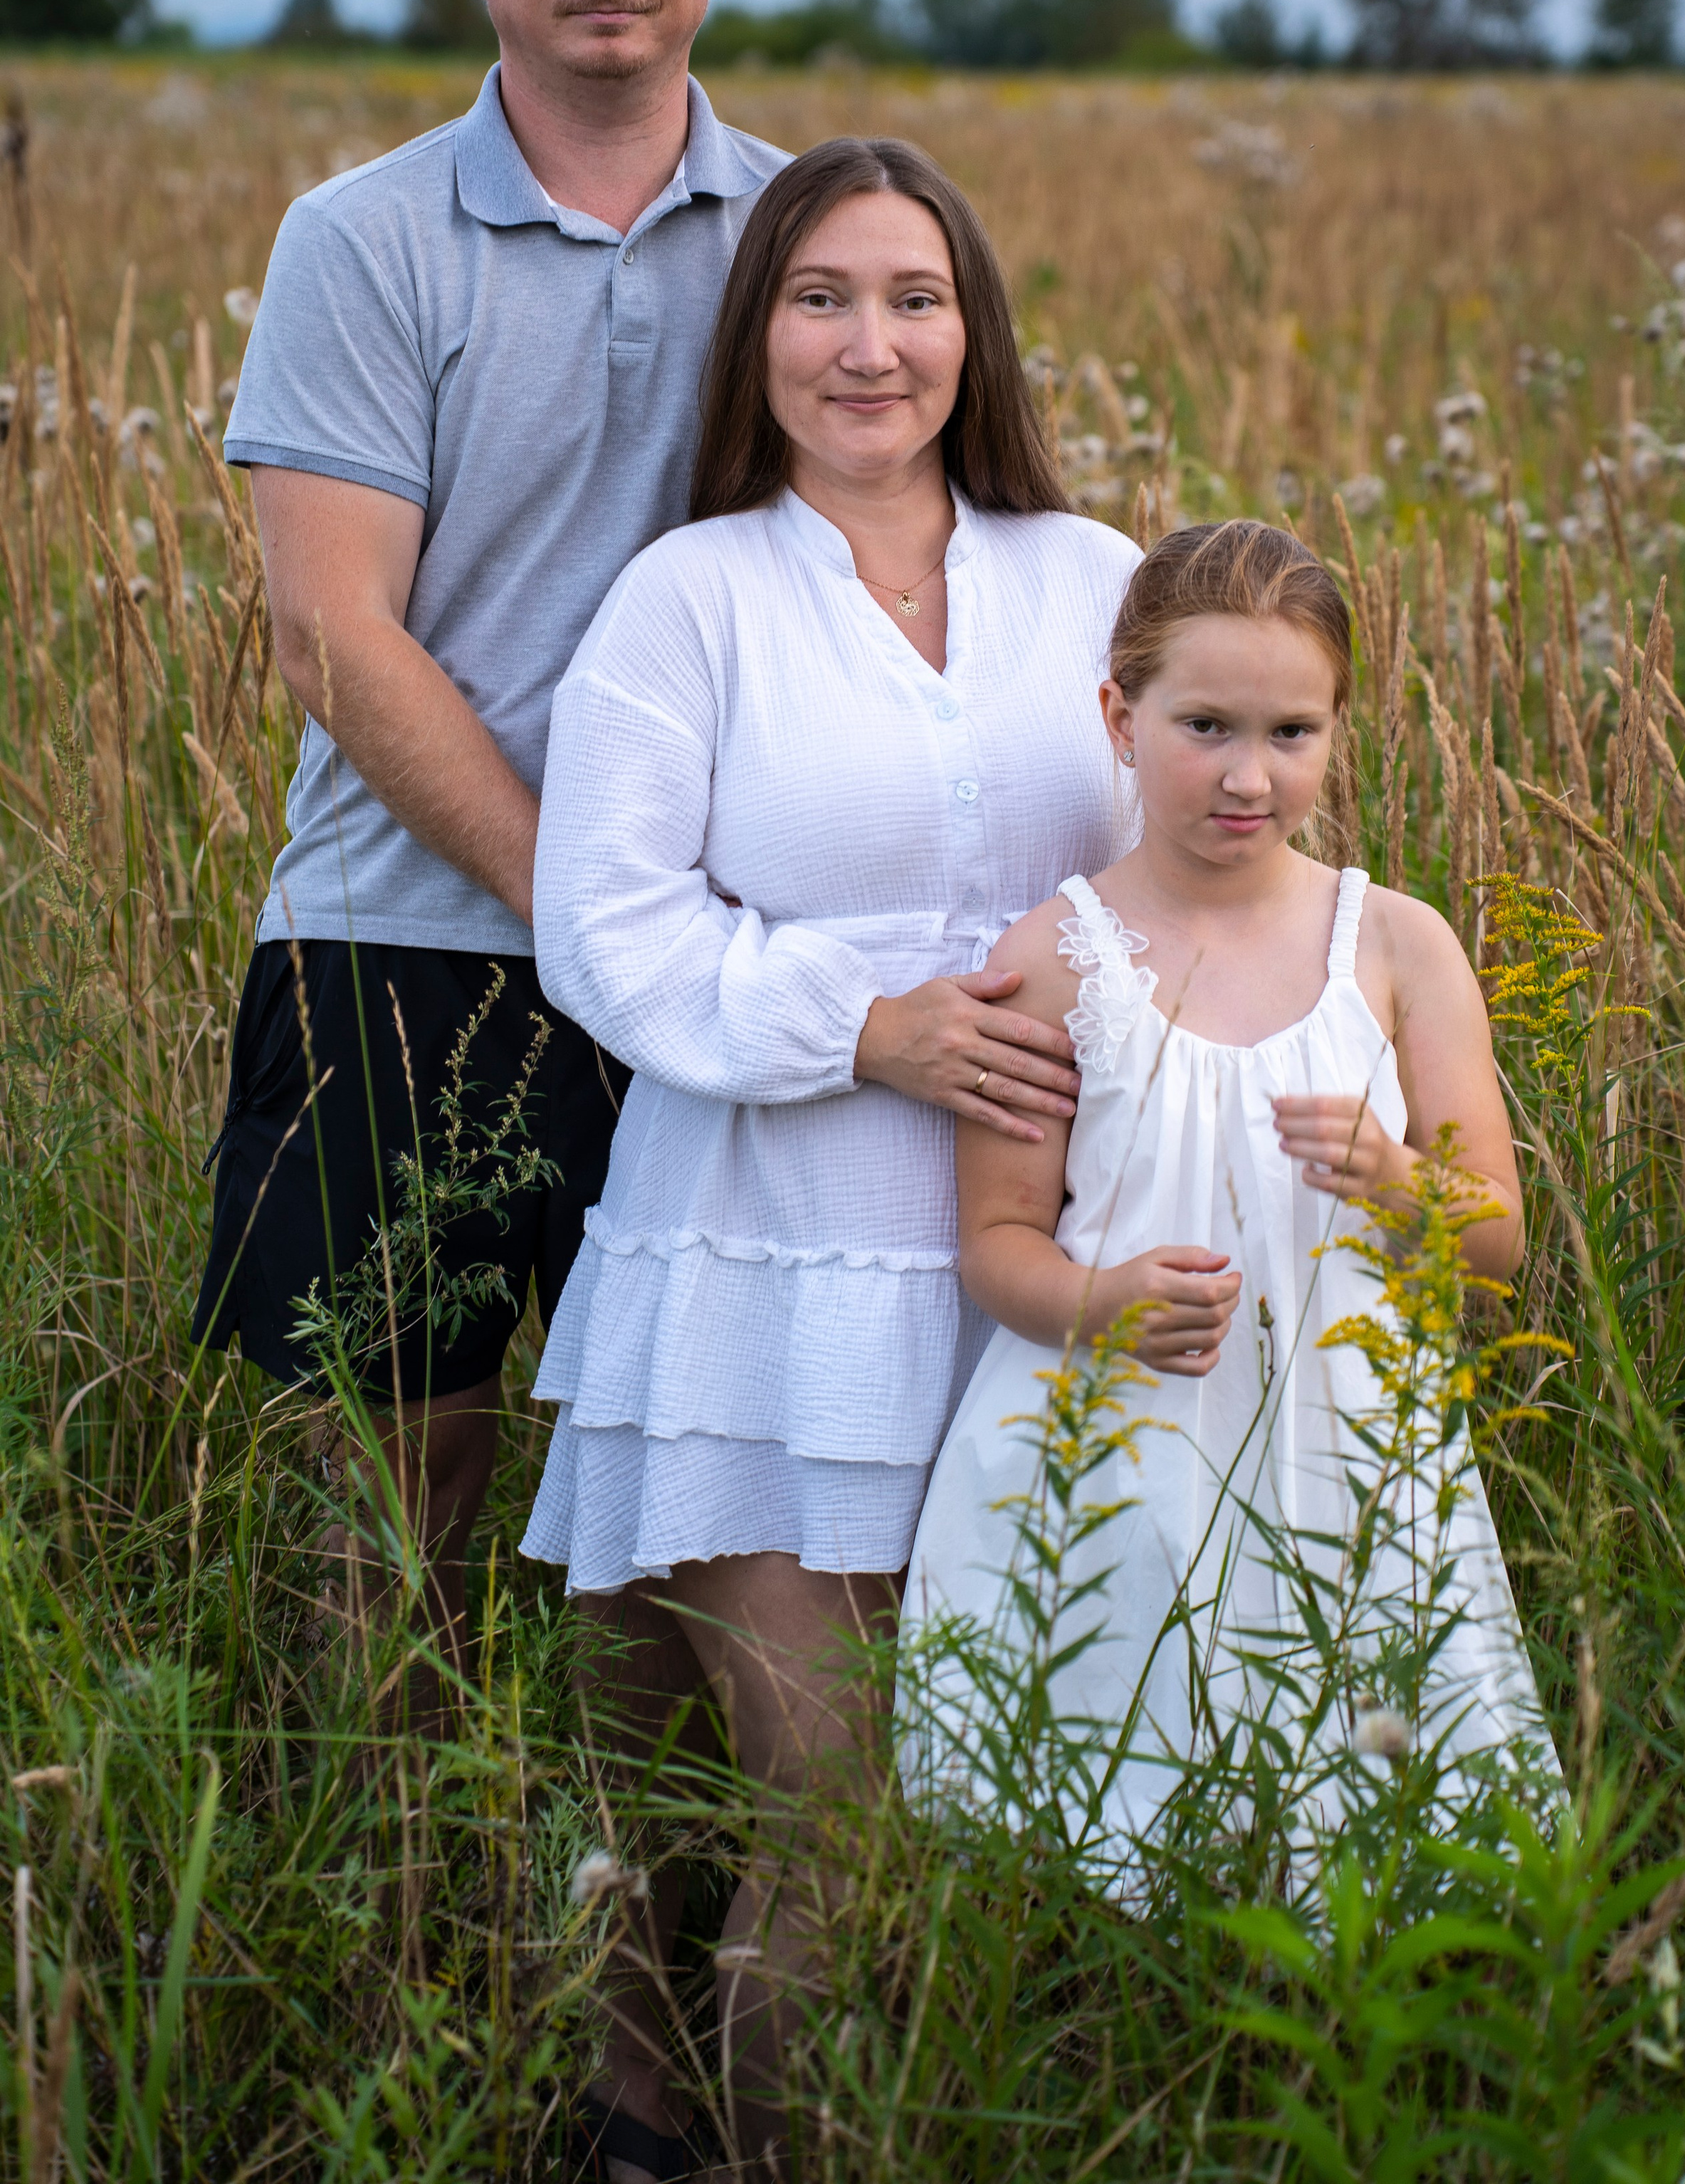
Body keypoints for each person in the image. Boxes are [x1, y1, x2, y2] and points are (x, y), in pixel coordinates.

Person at [524, 135, 1140, 2177]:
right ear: (758, 336)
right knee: (836, 1816)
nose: (869, 345)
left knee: (1003, 1807)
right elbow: (604, 920)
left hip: (1032, 1292)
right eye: (818, 298)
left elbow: (1213, 861)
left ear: (977, 331)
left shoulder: (1093, 581)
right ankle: (670, 2139)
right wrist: (859, 1026)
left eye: (914, 298)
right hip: (763, 1277)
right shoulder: (691, 594)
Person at [191, 0, 788, 1669]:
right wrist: (588, 907)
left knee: (703, 1512)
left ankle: (638, 1924)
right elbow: (337, 640)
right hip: (403, 940)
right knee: (395, 1515)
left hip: (715, 962)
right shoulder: (359, 239)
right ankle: (385, 1936)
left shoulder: (812, 242)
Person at [901, 519, 1557, 1865]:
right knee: (1099, 1818)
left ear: (1334, 732)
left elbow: (1495, 1242)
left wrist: (1389, 1178)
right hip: (1111, 1458)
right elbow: (997, 1243)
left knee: (1368, 1838)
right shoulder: (1055, 956)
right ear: (1118, 717)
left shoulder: (1394, 945)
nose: (1248, 776)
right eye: (1204, 725)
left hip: (1350, 1460)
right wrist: (1102, 1301)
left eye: (1292, 734)